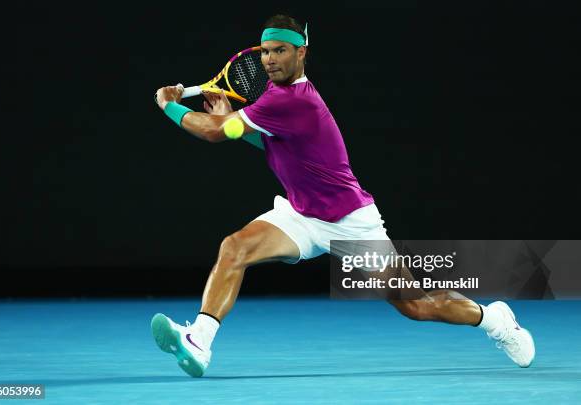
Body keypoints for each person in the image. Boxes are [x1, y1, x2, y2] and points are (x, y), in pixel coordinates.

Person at [151, 14, 535, 377]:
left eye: (279, 51)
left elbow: (214, 134)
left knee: (417, 305)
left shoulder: (292, 100)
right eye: (265, 51)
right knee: (235, 248)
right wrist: (230, 121)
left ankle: (495, 320)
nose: (269, 59)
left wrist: (169, 105)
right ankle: (198, 341)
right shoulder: (274, 95)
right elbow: (269, 143)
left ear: (301, 52)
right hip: (301, 215)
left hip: (350, 222)